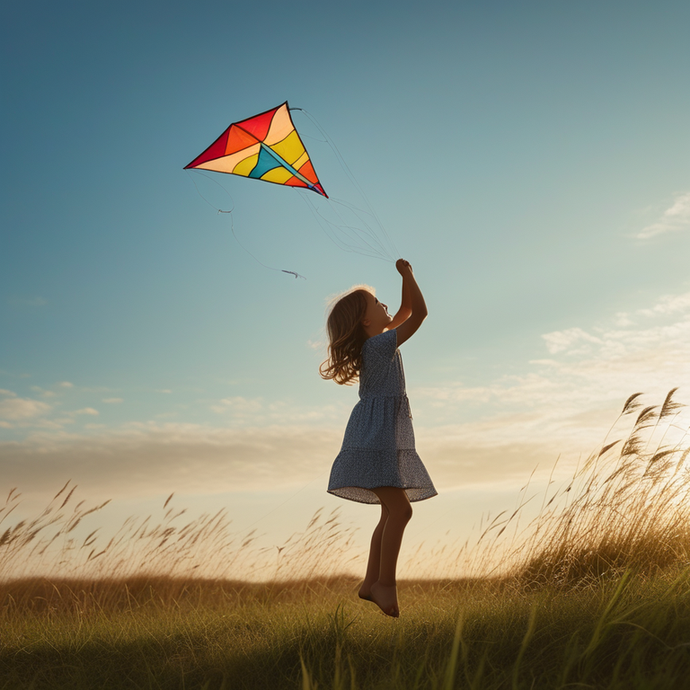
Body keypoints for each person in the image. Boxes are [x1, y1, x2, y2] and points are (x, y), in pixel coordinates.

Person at [320, 259, 437, 617]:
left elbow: (404, 310)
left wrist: (405, 282)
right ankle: (384, 583)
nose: (384, 305)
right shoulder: (378, 347)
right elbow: (419, 314)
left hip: (376, 435)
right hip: (376, 438)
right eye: (376, 303)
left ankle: (371, 582)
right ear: (366, 322)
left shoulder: (379, 342)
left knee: (391, 512)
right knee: (400, 510)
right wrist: (408, 275)